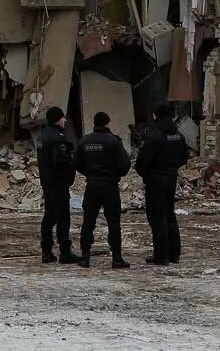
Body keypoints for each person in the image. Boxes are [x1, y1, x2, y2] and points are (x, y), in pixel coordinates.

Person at [74, 111, 133, 269]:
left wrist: (89, 172)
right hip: (109, 185)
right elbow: (124, 165)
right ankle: (117, 257)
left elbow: (76, 162)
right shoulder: (113, 141)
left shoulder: (85, 141)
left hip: (92, 185)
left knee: (88, 221)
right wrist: (114, 174)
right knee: (113, 222)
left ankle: (85, 257)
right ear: (107, 123)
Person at [136, 102, 191, 266]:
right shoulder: (177, 135)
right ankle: (175, 254)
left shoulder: (154, 136)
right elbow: (184, 157)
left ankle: (161, 255)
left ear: (156, 116)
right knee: (170, 214)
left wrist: (145, 173)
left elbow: (143, 162)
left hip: (155, 180)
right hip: (171, 178)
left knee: (157, 217)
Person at [34, 106, 80, 264]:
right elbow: (62, 163)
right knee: (62, 217)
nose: (65, 120)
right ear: (56, 119)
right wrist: (70, 174)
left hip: (47, 182)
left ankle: (46, 251)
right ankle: (65, 252)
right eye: (62, 118)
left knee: (49, 217)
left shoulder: (42, 136)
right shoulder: (58, 138)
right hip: (58, 183)